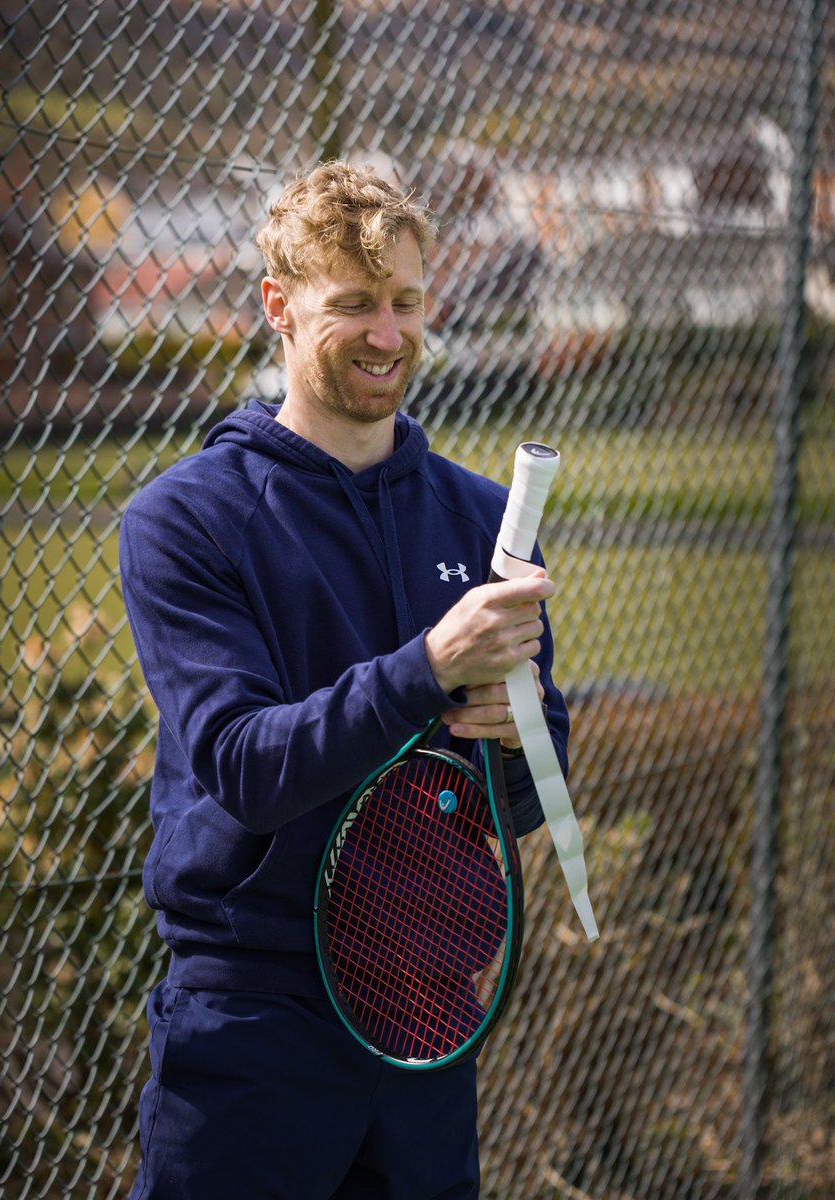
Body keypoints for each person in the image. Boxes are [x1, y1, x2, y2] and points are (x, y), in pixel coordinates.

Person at [119, 160, 569, 1200]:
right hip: (254, 1018)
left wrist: (519, 734)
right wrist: (427, 670)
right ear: (279, 307)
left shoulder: (483, 519)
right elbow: (243, 768)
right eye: (354, 304)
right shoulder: (184, 521)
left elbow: (532, 793)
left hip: (427, 1016)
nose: (387, 333)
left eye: (406, 303)